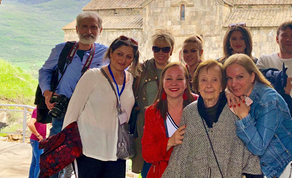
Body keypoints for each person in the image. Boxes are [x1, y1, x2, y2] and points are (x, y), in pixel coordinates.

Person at [162, 60, 262, 178]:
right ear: (197, 86)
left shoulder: (236, 110)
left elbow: (249, 151)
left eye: (214, 80)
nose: (208, 85)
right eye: (203, 80)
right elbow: (180, 155)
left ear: (222, 86)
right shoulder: (189, 113)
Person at [63, 35, 139, 177]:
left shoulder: (130, 80)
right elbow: (72, 112)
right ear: (111, 53)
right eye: (119, 54)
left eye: (129, 57)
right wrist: (66, 147)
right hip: (89, 149)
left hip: (117, 151)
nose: (123, 60)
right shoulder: (92, 76)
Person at [225, 54, 292, 178]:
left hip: (284, 170)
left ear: (252, 76)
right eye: (228, 78)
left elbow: (259, 147)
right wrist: (226, 92)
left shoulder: (268, 100)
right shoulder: (241, 94)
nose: (233, 83)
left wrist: (244, 117)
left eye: (240, 77)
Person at [39, 12, 108, 136]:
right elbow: (45, 71)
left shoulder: (106, 53)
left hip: (90, 111)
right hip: (63, 110)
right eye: (84, 26)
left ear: (100, 30)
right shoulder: (61, 50)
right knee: (56, 149)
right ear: (77, 29)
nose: (89, 31)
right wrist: (47, 93)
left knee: (87, 151)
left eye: (93, 27)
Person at [141, 62, 197, 178]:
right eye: (169, 79)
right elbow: (147, 154)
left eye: (179, 78)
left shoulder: (200, 104)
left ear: (187, 83)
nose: (174, 83)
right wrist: (170, 142)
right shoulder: (152, 112)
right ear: (162, 82)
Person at [132, 30, 175, 173]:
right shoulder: (141, 70)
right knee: (147, 169)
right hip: (146, 128)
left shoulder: (176, 71)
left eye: (165, 49)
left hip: (169, 129)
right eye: (156, 48)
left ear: (172, 50)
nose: (160, 52)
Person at [27, 107, 47, 178]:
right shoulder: (38, 110)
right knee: (39, 163)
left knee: (35, 162)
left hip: (37, 140)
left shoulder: (43, 111)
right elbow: (30, 124)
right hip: (37, 140)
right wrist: (38, 135)